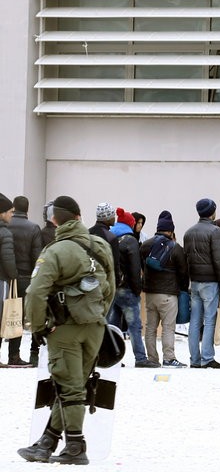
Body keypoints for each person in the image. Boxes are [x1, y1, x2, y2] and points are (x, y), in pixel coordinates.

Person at [17, 195, 115, 465]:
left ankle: (75, 446)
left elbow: (35, 293)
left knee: (68, 388)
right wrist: (98, 316)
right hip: (95, 326)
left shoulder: (55, 251)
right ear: (79, 216)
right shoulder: (100, 245)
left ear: (53, 219)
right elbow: (110, 288)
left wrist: (39, 327)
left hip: (64, 329)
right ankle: (47, 441)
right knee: (74, 386)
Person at [140, 210, 189, 367]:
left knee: (150, 327)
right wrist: (183, 289)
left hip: (150, 293)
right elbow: (183, 272)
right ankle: (168, 358)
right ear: (171, 231)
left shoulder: (146, 245)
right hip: (168, 294)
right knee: (168, 327)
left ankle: (152, 358)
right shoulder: (176, 248)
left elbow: (141, 266)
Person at [184, 198, 220, 369]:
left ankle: (195, 359)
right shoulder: (215, 231)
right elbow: (219, 260)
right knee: (209, 319)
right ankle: (207, 357)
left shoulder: (189, 232)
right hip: (211, 281)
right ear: (212, 212)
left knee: (195, 320)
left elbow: (187, 259)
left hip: (195, 281)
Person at [109, 207, 152, 367]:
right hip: (127, 289)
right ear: (130, 224)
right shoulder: (130, 240)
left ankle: (112, 358)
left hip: (113, 288)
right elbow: (135, 268)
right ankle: (140, 358)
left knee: (113, 326)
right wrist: (137, 289)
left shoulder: (111, 238)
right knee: (134, 326)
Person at [6, 195, 43, 366]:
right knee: (17, 316)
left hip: (5, 277)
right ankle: (14, 355)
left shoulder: (5, 225)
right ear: (27, 209)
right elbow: (37, 257)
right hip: (24, 278)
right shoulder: (33, 228)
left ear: (13, 208)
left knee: (2, 314)